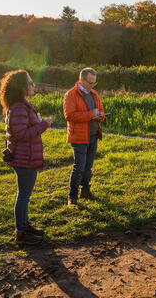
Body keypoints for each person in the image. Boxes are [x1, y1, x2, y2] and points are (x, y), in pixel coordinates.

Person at [0, 70, 53, 245]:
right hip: (25, 158)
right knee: (23, 195)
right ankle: (21, 233)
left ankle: (24, 226)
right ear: (21, 86)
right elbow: (22, 134)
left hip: (24, 156)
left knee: (24, 195)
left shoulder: (19, 105)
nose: (33, 85)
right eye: (30, 83)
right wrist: (44, 124)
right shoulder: (20, 108)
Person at [63, 67, 105, 206]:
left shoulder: (94, 94)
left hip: (93, 135)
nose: (92, 85)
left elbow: (100, 111)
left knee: (88, 166)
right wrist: (90, 115)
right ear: (82, 80)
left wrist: (100, 116)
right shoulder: (71, 94)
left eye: (95, 83)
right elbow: (69, 115)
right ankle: (72, 197)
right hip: (79, 137)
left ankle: (85, 191)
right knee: (79, 167)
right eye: (90, 82)